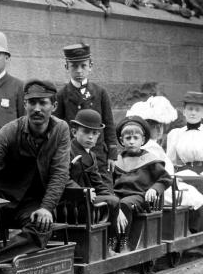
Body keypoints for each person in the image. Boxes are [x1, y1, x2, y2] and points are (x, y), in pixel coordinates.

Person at [0, 80, 71, 259]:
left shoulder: (61, 130)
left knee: (41, 228)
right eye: (32, 102)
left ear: (54, 106)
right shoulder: (11, 130)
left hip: (33, 203)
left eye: (43, 103)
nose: (37, 108)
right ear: (25, 104)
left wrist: (47, 208)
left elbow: (60, 172)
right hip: (1, 197)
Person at [55, 44, 118, 192]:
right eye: (74, 66)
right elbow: (58, 127)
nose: (79, 71)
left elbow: (108, 124)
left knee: (106, 192)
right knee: (82, 194)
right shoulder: (62, 94)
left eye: (83, 66)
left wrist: (112, 155)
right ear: (66, 66)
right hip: (74, 154)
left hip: (99, 154)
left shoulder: (100, 92)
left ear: (91, 66)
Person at [166, 91, 203, 231]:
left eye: (197, 110)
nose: (193, 113)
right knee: (170, 183)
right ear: (184, 112)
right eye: (190, 109)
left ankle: (198, 230)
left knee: (202, 183)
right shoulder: (175, 134)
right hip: (184, 171)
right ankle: (176, 228)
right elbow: (170, 161)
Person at [113, 116, 172, 253]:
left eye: (135, 138)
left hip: (140, 197)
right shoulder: (117, 160)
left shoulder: (149, 160)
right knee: (109, 204)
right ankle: (111, 240)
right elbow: (110, 181)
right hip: (118, 195)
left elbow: (165, 178)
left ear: (143, 140)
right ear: (122, 141)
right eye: (128, 138)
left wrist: (154, 189)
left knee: (125, 204)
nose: (132, 142)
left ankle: (123, 242)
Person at [65, 109, 122, 254]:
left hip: (87, 199)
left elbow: (98, 184)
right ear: (74, 132)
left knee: (114, 201)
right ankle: (109, 246)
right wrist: (83, 192)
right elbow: (64, 178)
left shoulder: (92, 155)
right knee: (113, 202)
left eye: (95, 133)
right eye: (85, 132)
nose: (90, 137)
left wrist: (115, 204)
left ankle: (110, 244)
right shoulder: (67, 152)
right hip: (71, 202)